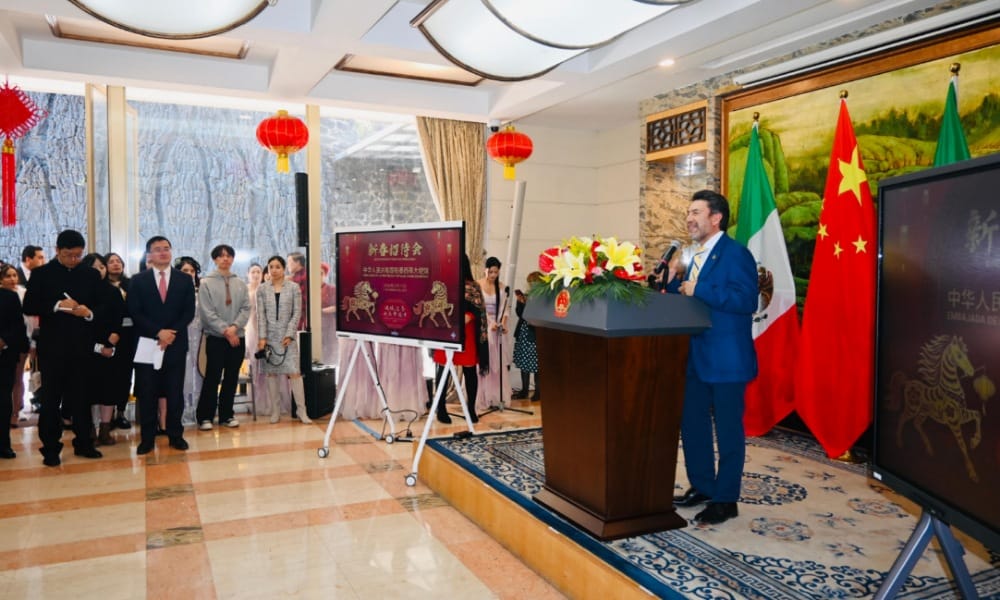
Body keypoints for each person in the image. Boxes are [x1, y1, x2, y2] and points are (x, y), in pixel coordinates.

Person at [664, 190, 758, 526]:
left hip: (727, 359)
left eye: (696, 212)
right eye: (688, 213)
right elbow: (689, 300)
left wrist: (698, 288)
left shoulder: (736, 254)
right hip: (695, 356)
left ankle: (726, 499)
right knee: (692, 424)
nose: (689, 218)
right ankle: (703, 486)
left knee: (729, 431)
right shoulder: (692, 255)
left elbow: (746, 300)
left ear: (716, 218)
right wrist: (671, 283)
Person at [22, 229, 103, 466]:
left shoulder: (90, 274)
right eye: (68, 255)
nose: (73, 260)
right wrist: (58, 305)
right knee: (50, 399)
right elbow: (29, 306)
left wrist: (88, 312)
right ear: (57, 250)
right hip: (53, 348)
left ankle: (84, 443)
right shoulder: (41, 274)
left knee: (81, 397)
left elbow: (101, 306)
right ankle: (50, 448)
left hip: (82, 345)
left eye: (78, 255)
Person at [128, 236, 196, 455]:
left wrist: (170, 334)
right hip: (148, 343)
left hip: (175, 344)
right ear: (149, 255)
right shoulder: (138, 280)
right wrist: (158, 332)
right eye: (157, 249)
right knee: (148, 392)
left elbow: (188, 312)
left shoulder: (184, 280)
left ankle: (176, 435)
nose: (163, 252)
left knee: (175, 392)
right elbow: (135, 312)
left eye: (166, 248)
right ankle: (147, 438)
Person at [196, 244, 251, 430]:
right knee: (212, 377)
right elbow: (207, 312)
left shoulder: (240, 283)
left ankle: (227, 415)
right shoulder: (206, 283)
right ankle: (205, 416)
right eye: (220, 256)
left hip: (238, 337)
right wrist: (226, 331)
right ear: (215, 260)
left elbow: (246, 308)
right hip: (216, 337)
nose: (225, 259)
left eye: (228, 255)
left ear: (233, 259)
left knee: (231, 377)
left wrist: (234, 328)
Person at [432, 253, 489, 424]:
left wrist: (469, 316)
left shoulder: (473, 286)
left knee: (469, 370)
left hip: (467, 332)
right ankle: (440, 408)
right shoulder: (442, 284)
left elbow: (480, 310)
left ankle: (470, 408)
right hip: (446, 330)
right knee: (443, 369)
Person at [257, 256, 312, 424]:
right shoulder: (262, 289)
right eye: (271, 266)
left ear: (283, 269)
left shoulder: (294, 287)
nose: (274, 270)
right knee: (271, 373)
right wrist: (262, 337)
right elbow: (261, 316)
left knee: (295, 373)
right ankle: (276, 411)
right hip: (269, 338)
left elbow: (297, 313)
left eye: (278, 267)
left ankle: (302, 411)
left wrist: (289, 334)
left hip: (288, 338)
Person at [81, 253, 125, 446]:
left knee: (108, 389)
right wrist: (98, 347)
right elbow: (80, 325)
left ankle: (105, 430)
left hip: (110, 346)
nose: (99, 270)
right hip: (87, 348)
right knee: (89, 391)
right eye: (94, 267)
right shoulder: (80, 292)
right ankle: (90, 429)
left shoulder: (113, 291)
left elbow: (120, 317)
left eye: (101, 266)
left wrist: (114, 338)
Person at [475, 256, 512, 412]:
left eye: (496, 272)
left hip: (497, 330)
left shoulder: (502, 287)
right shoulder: (477, 285)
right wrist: (489, 323)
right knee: (483, 363)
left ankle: (496, 396)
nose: (493, 275)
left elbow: (505, 309)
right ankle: (482, 396)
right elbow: (477, 308)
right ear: (485, 270)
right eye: (491, 272)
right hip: (483, 328)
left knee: (497, 364)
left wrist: (503, 323)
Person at [0, 264, 29, 458]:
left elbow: (18, 325)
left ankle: (3, 444)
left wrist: (4, 340)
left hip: (5, 354)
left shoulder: (9, 297)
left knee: (3, 400)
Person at [104, 252, 134, 430]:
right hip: (109, 334)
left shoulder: (131, 284)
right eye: (111, 261)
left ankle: (121, 412)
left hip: (129, 334)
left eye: (118, 261)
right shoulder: (101, 286)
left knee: (125, 374)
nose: (116, 264)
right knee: (110, 375)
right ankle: (107, 415)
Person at [175, 256, 203, 427]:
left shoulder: (201, 292)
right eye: (185, 270)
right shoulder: (174, 292)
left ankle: (199, 411)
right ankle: (183, 412)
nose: (189, 273)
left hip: (199, 337)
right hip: (181, 336)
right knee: (183, 374)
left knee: (199, 372)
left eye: (192, 271)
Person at [245, 263, 274, 417]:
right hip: (251, 329)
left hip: (266, 329)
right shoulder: (245, 290)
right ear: (248, 274)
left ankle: (270, 402)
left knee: (268, 364)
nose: (256, 274)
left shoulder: (266, 289)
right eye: (253, 272)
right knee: (255, 364)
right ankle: (256, 401)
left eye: (258, 271)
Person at [512, 271, 542, 401]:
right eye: (530, 282)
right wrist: (520, 303)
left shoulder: (543, 297)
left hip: (535, 333)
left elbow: (538, 315)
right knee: (524, 363)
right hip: (523, 332)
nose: (531, 285)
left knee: (536, 364)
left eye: (533, 282)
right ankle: (524, 390)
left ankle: (538, 391)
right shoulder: (527, 296)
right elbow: (521, 314)